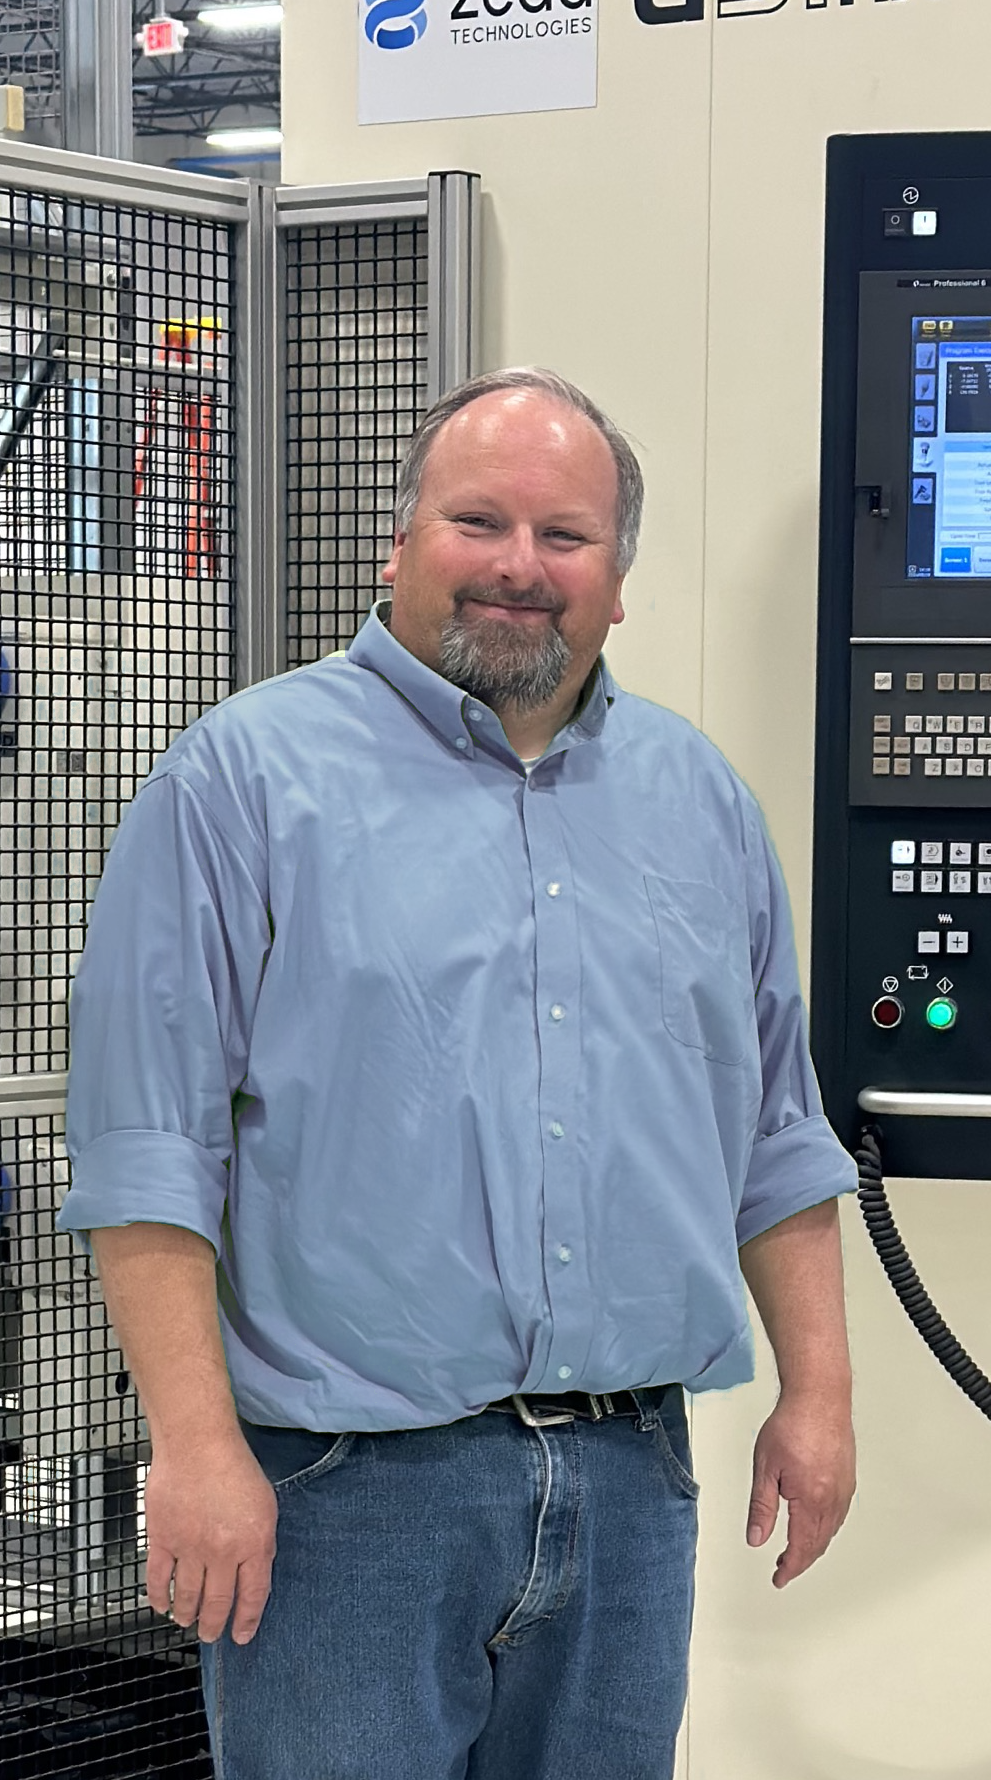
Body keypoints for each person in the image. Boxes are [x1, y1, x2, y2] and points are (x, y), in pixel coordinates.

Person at [58, 368, 858, 1780]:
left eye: (565, 536)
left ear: (619, 580)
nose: (517, 566)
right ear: (400, 542)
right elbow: (145, 1153)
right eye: (476, 521)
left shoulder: (700, 804)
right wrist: (192, 1449)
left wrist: (819, 1396)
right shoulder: (240, 785)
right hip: (341, 1496)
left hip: (629, 1484)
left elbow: (777, 1133)